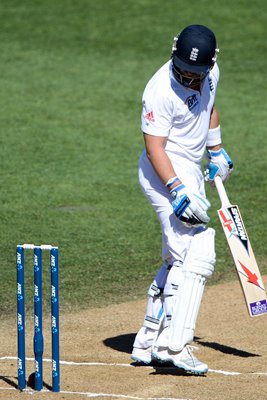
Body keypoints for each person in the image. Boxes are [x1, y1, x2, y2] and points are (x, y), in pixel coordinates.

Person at [131, 24, 233, 374]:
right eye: (184, 71)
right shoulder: (159, 90)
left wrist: (217, 151)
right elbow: (154, 147)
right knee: (196, 253)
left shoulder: (210, 72)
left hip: (188, 168)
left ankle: (147, 341)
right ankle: (174, 345)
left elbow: (209, 107)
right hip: (164, 171)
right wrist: (176, 190)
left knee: (178, 256)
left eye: (197, 74)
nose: (190, 79)